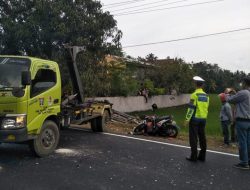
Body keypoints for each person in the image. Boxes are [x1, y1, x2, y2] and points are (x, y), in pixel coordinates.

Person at [223, 78, 250, 170]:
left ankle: (244, 163)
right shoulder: (247, 93)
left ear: (245, 83)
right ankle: (248, 160)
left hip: (242, 120)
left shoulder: (244, 92)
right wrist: (235, 93)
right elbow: (240, 100)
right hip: (249, 121)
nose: (241, 84)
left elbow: (230, 100)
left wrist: (226, 93)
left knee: (242, 142)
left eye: (242, 83)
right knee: (248, 142)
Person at [184, 76, 209, 162]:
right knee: (202, 137)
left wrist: (187, 119)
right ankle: (202, 156)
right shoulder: (206, 96)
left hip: (195, 119)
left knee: (193, 138)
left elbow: (191, 108)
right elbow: (206, 108)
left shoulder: (194, 95)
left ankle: (193, 156)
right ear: (202, 85)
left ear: (195, 84)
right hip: (203, 119)